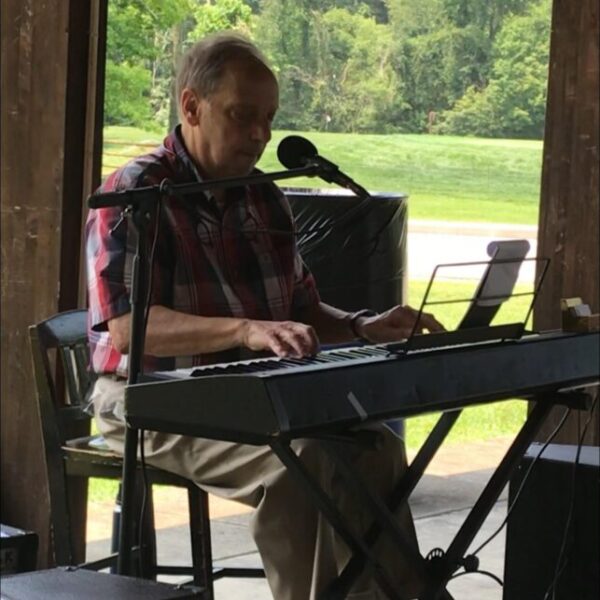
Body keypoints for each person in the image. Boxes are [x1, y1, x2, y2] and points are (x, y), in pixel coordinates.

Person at [86, 33, 443, 600]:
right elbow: (130, 328)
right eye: (242, 115)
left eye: (269, 118)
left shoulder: (264, 197)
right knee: (300, 460)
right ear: (191, 106)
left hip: (253, 391)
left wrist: (360, 326)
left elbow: (299, 309)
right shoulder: (138, 191)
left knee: (374, 447)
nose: (260, 135)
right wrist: (244, 330)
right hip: (148, 395)